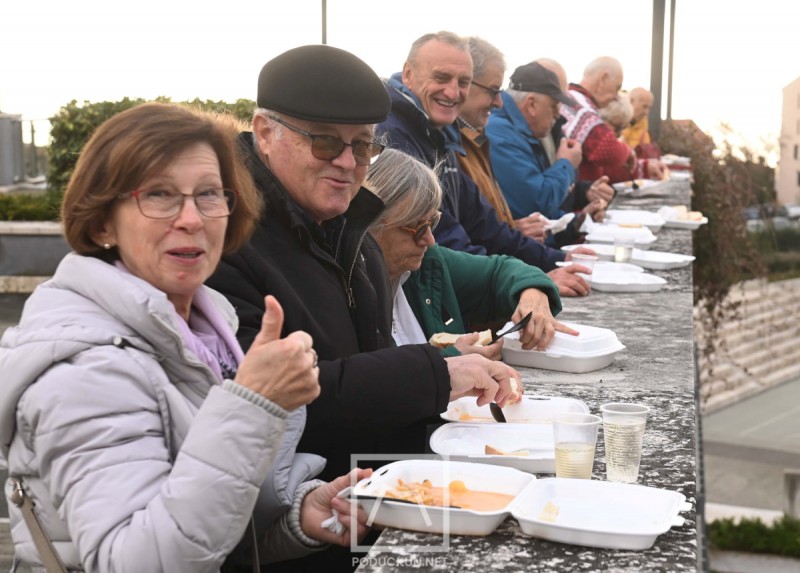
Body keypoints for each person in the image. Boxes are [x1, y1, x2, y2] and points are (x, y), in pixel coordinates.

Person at [0, 103, 372, 572]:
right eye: (159, 194)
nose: (192, 219)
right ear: (101, 222)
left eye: (209, 194)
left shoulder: (206, 331)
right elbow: (137, 563)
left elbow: (204, 526)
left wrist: (297, 517)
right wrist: (253, 403)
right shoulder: (87, 370)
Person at [206, 45, 521, 488]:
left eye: (363, 145)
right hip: (289, 508)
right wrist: (436, 373)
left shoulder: (355, 230)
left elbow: (369, 391)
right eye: (324, 141)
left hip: (365, 488)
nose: (347, 162)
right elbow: (272, 404)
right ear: (264, 132)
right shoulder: (220, 237)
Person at [377, 31, 593, 297]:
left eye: (463, 82)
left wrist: (557, 260)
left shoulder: (439, 133)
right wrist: (524, 278)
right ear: (408, 74)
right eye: (441, 78)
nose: (453, 92)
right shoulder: (394, 138)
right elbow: (442, 245)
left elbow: (486, 225)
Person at [367, 148, 577, 357]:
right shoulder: (350, 291)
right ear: (369, 226)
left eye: (432, 223)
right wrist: (452, 359)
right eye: (415, 227)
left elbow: (499, 271)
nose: (429, 240)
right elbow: (367, 373)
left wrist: (532, 293)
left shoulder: (428, 263)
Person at [560, 57, 666, 183]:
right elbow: (606, 148)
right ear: (603, 79)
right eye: (617, 88)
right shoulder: (578, 105)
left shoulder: (577, 101)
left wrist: (642, 167)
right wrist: (628, 152)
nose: (616, 96)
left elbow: (605, 169)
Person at [621, 86, 662, 159]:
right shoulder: (613, 124)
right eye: (644, 107)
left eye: (649, 108)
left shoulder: (644, 132)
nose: (647, 112)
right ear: (631, 101)